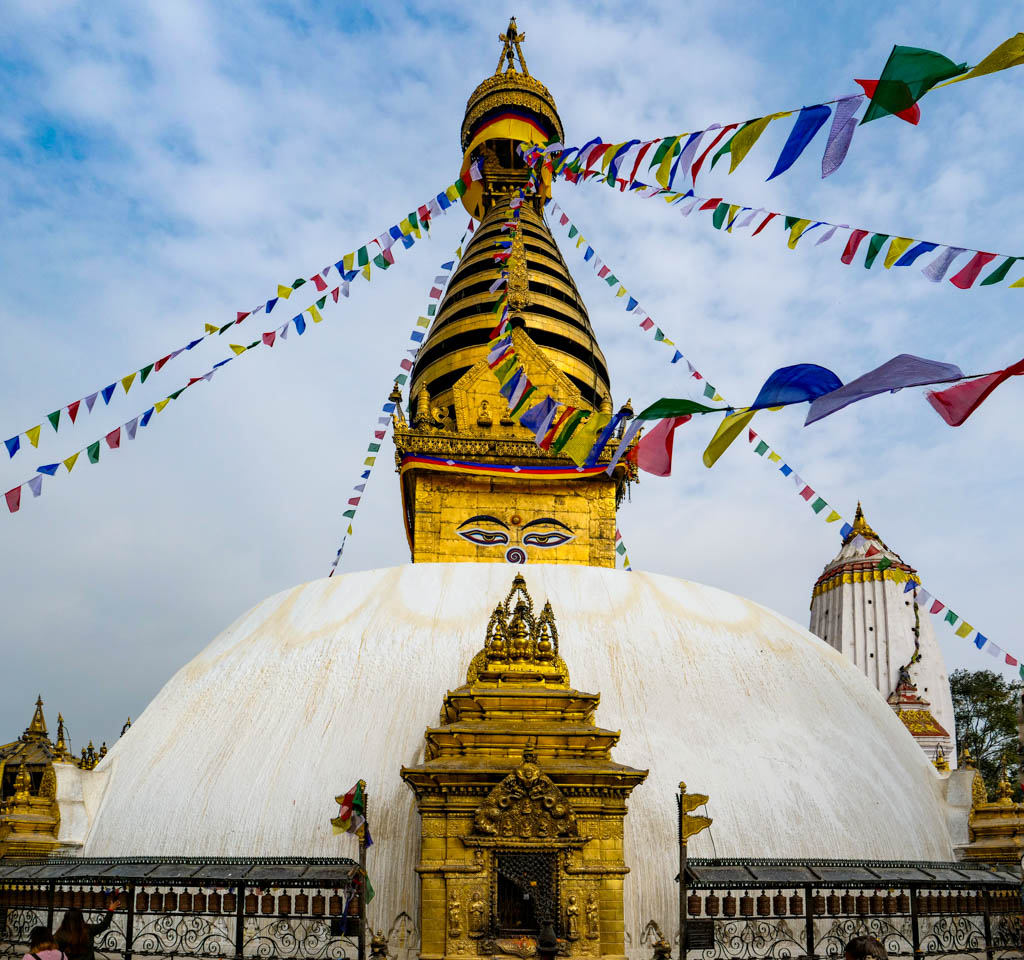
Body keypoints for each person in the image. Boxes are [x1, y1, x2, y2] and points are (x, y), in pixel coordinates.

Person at [55, 895, 119, 960]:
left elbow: (55, 951)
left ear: (65, 919)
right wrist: (110, 910)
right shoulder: (89, 929)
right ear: (81, 918)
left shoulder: (60, 934)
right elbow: (103, 925)